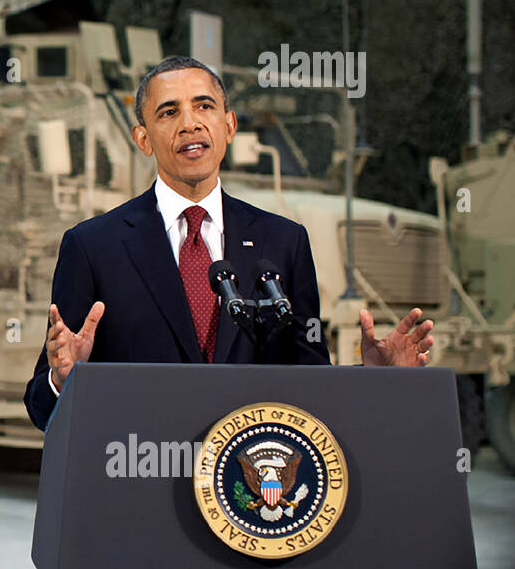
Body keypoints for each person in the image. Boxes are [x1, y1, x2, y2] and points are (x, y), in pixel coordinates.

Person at [23, 55, 434, 431]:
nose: (190, 123)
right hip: (138, 476)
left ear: (230, 126)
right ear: (143, 139)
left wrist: (378, 378)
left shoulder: (285, 242)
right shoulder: (93, 247)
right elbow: (41, 408)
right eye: (169, 112)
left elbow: (310, 387)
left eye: (204, 107)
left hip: (247, 489)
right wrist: (62, 379)